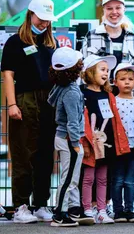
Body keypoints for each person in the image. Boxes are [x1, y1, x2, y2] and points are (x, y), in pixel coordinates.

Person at [1, 0, 58, 223]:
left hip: (49, 101)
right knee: (23, 154)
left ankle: (41, 204)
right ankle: (21, 206)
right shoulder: (15, 42)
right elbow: (7, 74)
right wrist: (12, 104)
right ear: (30, 14)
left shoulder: (51, 45)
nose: (44, 23)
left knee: (45, 154)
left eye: (47, 20)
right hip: (24, 99)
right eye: (41, 18)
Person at [80, 55, 131, 224]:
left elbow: (114, 119)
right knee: (88, 178)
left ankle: (101, 210)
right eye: (102, 69)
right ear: (89, 71)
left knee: (103, 178)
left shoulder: (108, 94)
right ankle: (87, 209)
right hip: (90, 143)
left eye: (107, 71)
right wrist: (84, 142)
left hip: (106, 144)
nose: (106, 73)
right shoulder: (82, 94)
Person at [47, 47, 85, 227]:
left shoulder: (60, 87)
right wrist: (76, 143)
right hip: (70, 140)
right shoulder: (71, 92)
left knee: (69, 177)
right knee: (68, 178)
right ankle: (59, 215)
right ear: (75, 69)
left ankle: (69, 210)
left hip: (64, 138)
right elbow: (72, 121)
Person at [112, 63, 134, 223]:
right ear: (115, 82)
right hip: (117, 147)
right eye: (122, 79)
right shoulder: (112, 102)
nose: (127, 82)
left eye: (130, 79)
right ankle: (118, 211)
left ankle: (130, 210)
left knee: (130, 180)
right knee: (118, 179)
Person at [82, 0, 134, 82]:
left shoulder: (133, 38)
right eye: (109, 8)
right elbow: (83, 70)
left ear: (124, 9)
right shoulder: (91, 36)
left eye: (118, 8)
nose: (114, 12)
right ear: (103, 10)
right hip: (99, 95)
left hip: (128, 95)